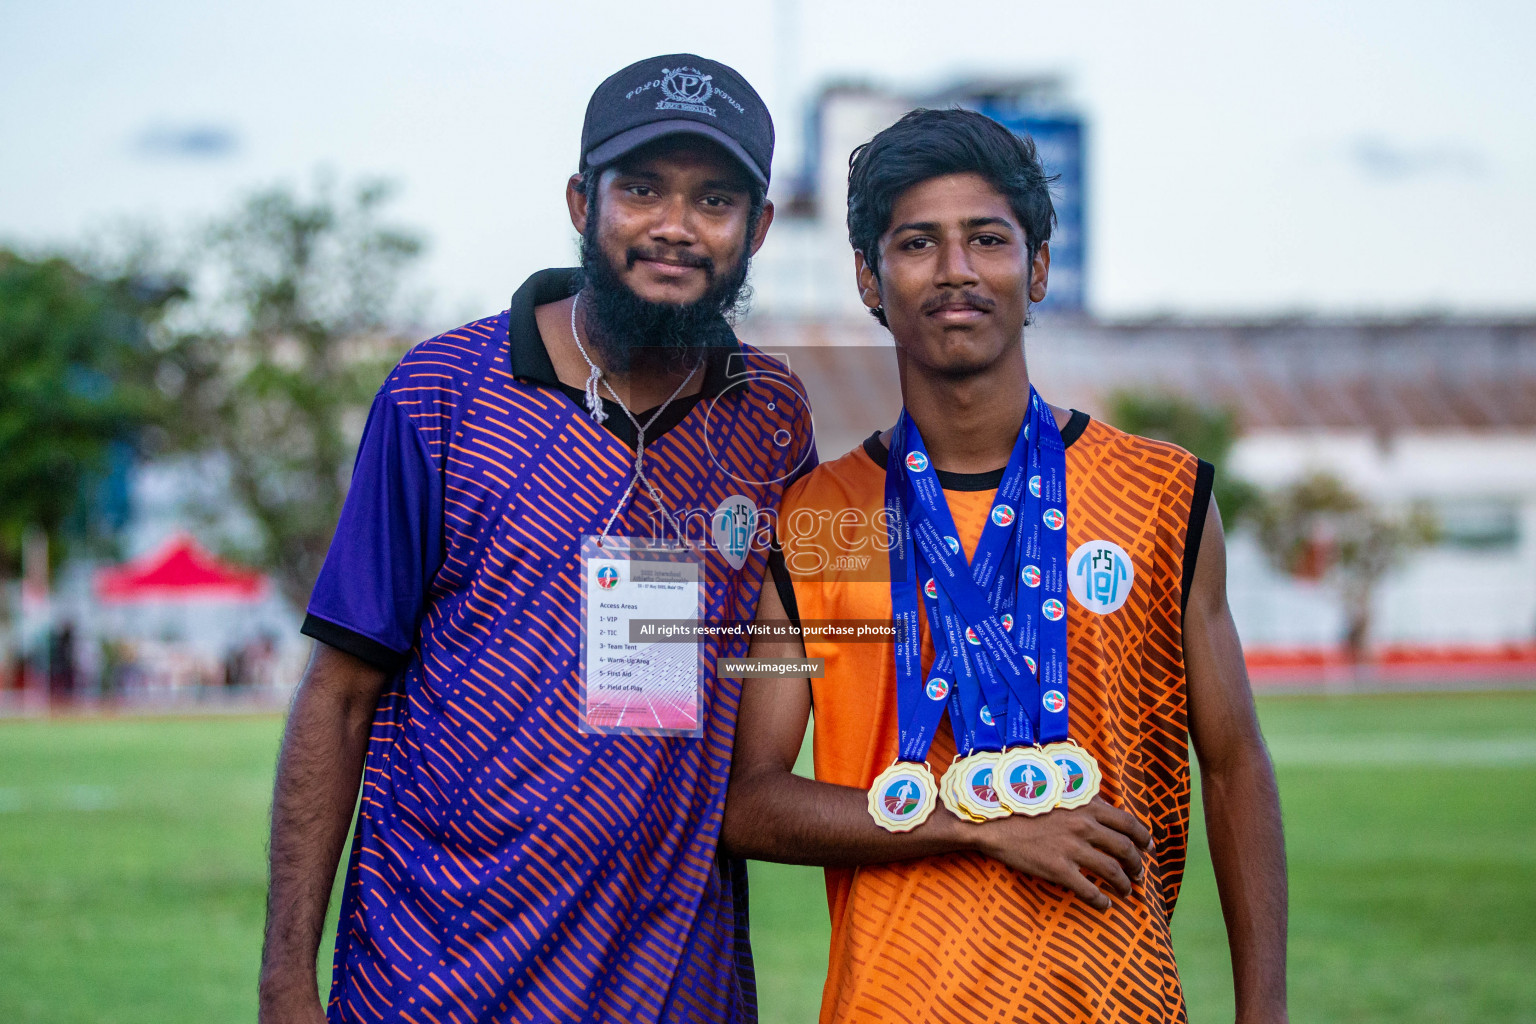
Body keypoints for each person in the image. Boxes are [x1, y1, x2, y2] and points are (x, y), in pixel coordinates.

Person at [259, 54, 815, 1024]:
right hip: (428, 981)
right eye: (640, 188)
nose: (676, 225)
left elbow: (778, 695)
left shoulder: (770, 419)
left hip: (671, 988)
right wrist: (284, 983)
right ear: (580, 201)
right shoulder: (441, 394)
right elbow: (340, 697)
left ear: (757, 228)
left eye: (715, 198)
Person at [724, 109, 1288, 1023]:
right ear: (871, 278)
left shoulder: (1164, 496)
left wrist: (1266, 1013)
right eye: (918, 243)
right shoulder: (820, 519)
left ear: (1037, 270)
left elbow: (1234, 769)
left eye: (987, 239)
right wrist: (980, 824)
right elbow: (748, 801)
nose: (955, 270)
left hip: (1118, 1001)